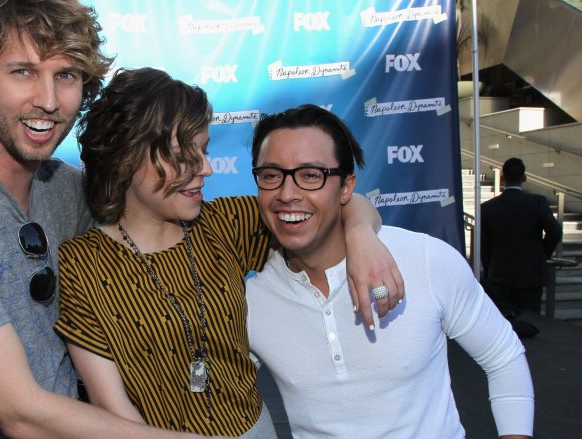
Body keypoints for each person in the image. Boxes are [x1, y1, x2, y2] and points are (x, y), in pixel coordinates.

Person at [0, 1, 222, 438]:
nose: (49, 101)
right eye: (23, 72)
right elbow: (22, 414)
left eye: (66, 75)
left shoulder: (65, 188)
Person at [54, 68, 404, 437]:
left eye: (203, 151)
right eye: (181, 155)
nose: (205, 168)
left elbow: (335, 202)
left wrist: (363, 235)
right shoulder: (82, 263)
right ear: (126, 158)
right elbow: (111, 406)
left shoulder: (224, 223)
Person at [245, 104, 534, 438]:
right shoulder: (253, 301)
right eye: (270, 175)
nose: (287, 192)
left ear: (346, 187)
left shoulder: (425, 260)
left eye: (311, 175)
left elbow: (503, 356)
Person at [481, 157, 562, 313]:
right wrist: (542, 253)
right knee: (531, 320)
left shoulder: (488, 208)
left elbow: (484, 244)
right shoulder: (537, 202)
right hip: (530, 275)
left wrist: (489, 268)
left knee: (503, 322)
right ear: (524, 177)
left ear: (502, 177)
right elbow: (555, 231)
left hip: (499, 274)